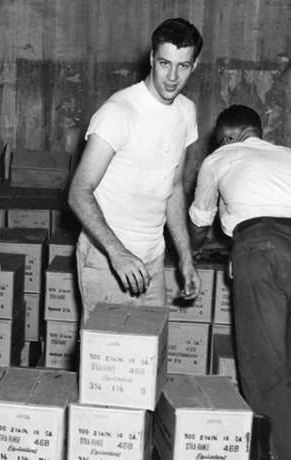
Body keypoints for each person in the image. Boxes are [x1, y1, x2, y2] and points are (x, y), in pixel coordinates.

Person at [188, 104, 291, 460]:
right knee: (290, 365)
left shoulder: (218, 159)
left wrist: (191, 255)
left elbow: (199, 218)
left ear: (228, 137)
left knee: (260, 368)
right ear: (259, 132)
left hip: (260, 250)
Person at [68, 17, 203, 322]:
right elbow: (78, 192)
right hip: (107, 259)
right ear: (151, 59)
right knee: (106, 361)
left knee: (148, 359)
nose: (172, 77)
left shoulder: (186, 111)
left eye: (183, 66)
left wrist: (185, 257)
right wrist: (118, 253)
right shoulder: (119, 112)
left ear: (195, 65)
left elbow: (174, 188)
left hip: (152, 260)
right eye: (165, 63)